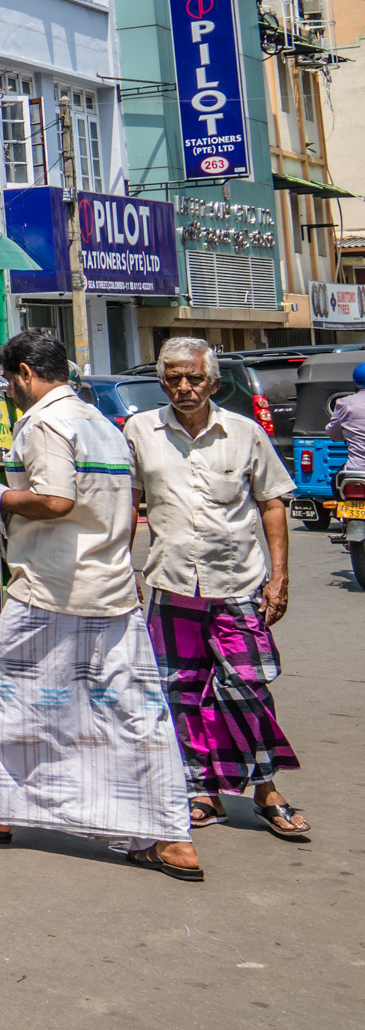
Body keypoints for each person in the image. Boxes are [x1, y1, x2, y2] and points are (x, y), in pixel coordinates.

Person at [0, 329, 196, 879]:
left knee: (6, 696)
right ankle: (171, 837)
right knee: (133, 711)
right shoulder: (103, 425)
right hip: (111, 591)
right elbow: (120, 512)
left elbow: (55, 499)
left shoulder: (45, 422)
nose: (8, 391)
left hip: (50, 592)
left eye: (9, 380)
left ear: (26, 373)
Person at [122, 338, 306, 842]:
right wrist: (125, 569)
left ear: (213, 382)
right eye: (174, 378)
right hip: (170, 583)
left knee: (247, 684)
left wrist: (280, 575)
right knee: (181, 690)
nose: (184, 387)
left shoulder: (245, 433)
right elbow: (128, 505)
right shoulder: (140, 430)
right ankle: (203, 791)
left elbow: (272, 502)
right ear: (163, 381)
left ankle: (267, 790)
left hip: (238, 584)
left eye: (194, 378)